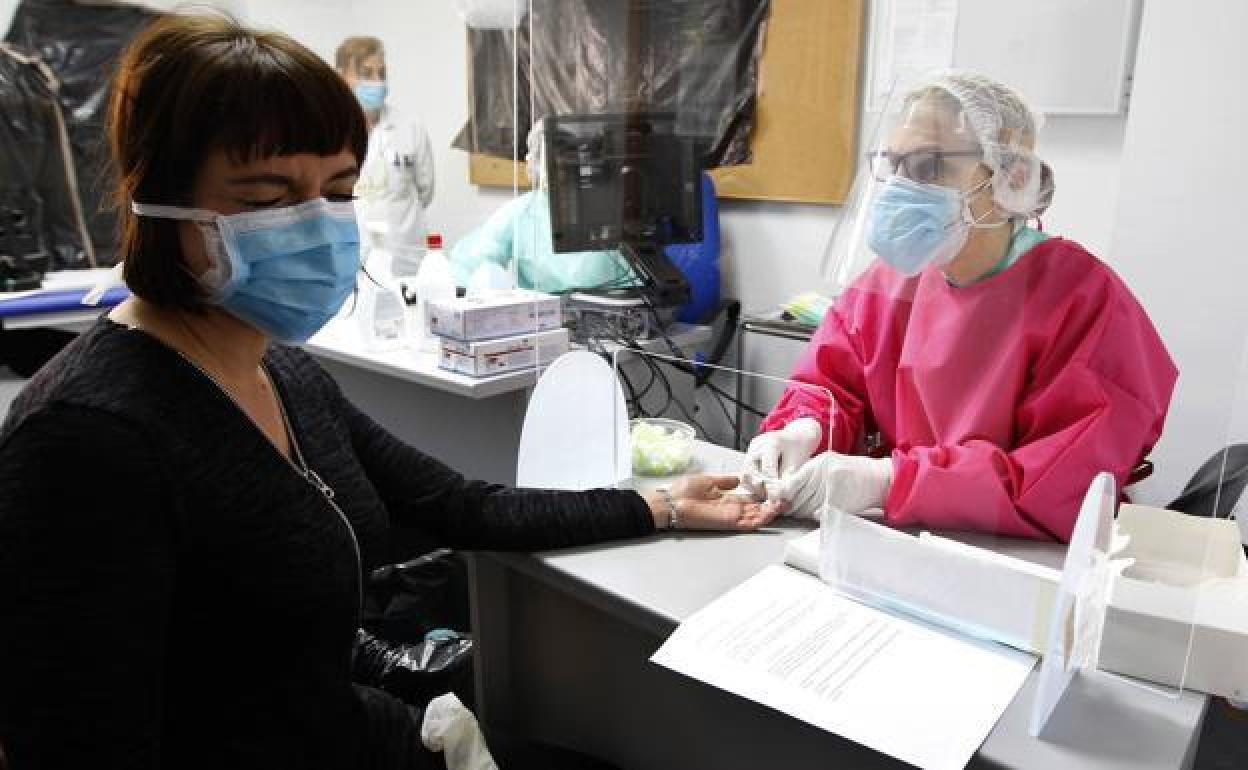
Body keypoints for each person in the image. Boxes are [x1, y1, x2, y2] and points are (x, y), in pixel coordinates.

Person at [0, 15, 781, 770]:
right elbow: (78, 744)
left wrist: (665, 505)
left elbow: (460, 507)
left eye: (337, 190)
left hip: (351, 732)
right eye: (266, 198)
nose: (314, 225)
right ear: (159, 202)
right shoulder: (87, 440)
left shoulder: (282, 372)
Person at [743, 71, 1178, 543]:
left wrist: (887, 481)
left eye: (929, 167)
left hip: (1022, 556)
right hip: (900, 542)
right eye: (894, 166)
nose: (902, 188)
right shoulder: (889, 285)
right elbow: (833, 387)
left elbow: (1058, 481)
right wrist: (804, 427)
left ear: (1009, 178)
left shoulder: (1083, 300)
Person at [450, 119, 640, 293]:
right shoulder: (521, 212)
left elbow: (641, 273)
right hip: (544, 317)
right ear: (535, 164)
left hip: (615, 311)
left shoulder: (609, 208)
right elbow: (471, 263)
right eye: (552, 161)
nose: (561, 169)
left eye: (567, 159)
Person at [336, 35, 435, 277]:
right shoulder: (330, 132)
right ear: (341, 76)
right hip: (353, 259)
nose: (377, 82)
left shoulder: (410, 127)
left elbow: (426, 191)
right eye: (366, 73)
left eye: (382, 74)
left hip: (406, 259)